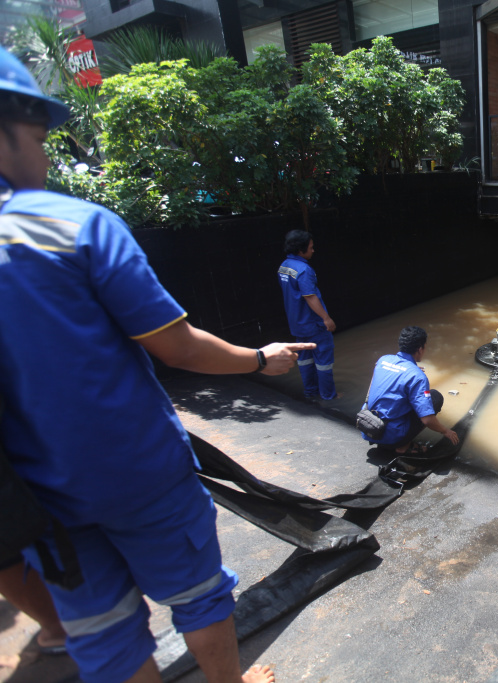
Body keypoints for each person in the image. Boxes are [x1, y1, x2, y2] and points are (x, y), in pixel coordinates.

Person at [0, 46, 312, 683]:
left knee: (104, 636)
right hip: (137, 472)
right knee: (198, 594)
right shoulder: (71, 227)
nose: (46, 155)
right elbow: (178, 346)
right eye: (36, 137)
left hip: (36, 497)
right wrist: (260, 358)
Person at [361, 326, 459, 454]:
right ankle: (403, 446)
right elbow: (427, 419)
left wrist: (412, 370)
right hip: (391, 437)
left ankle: (393, 439)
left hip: (368, 427)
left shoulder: (383, 360)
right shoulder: (418, 377)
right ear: (420, 349)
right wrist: (445, 431)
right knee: (435, 398)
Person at [278, 230, 338, 402]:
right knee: (324, 360)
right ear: (300, 250)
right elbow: (309, 296)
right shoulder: (304, 270)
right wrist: (326, 318)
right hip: (313, 323)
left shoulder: (284, 266)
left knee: (304, 359)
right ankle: (329, 395)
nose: (313, 250)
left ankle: (310, 392)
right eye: (310, 248)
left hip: (297, 324)